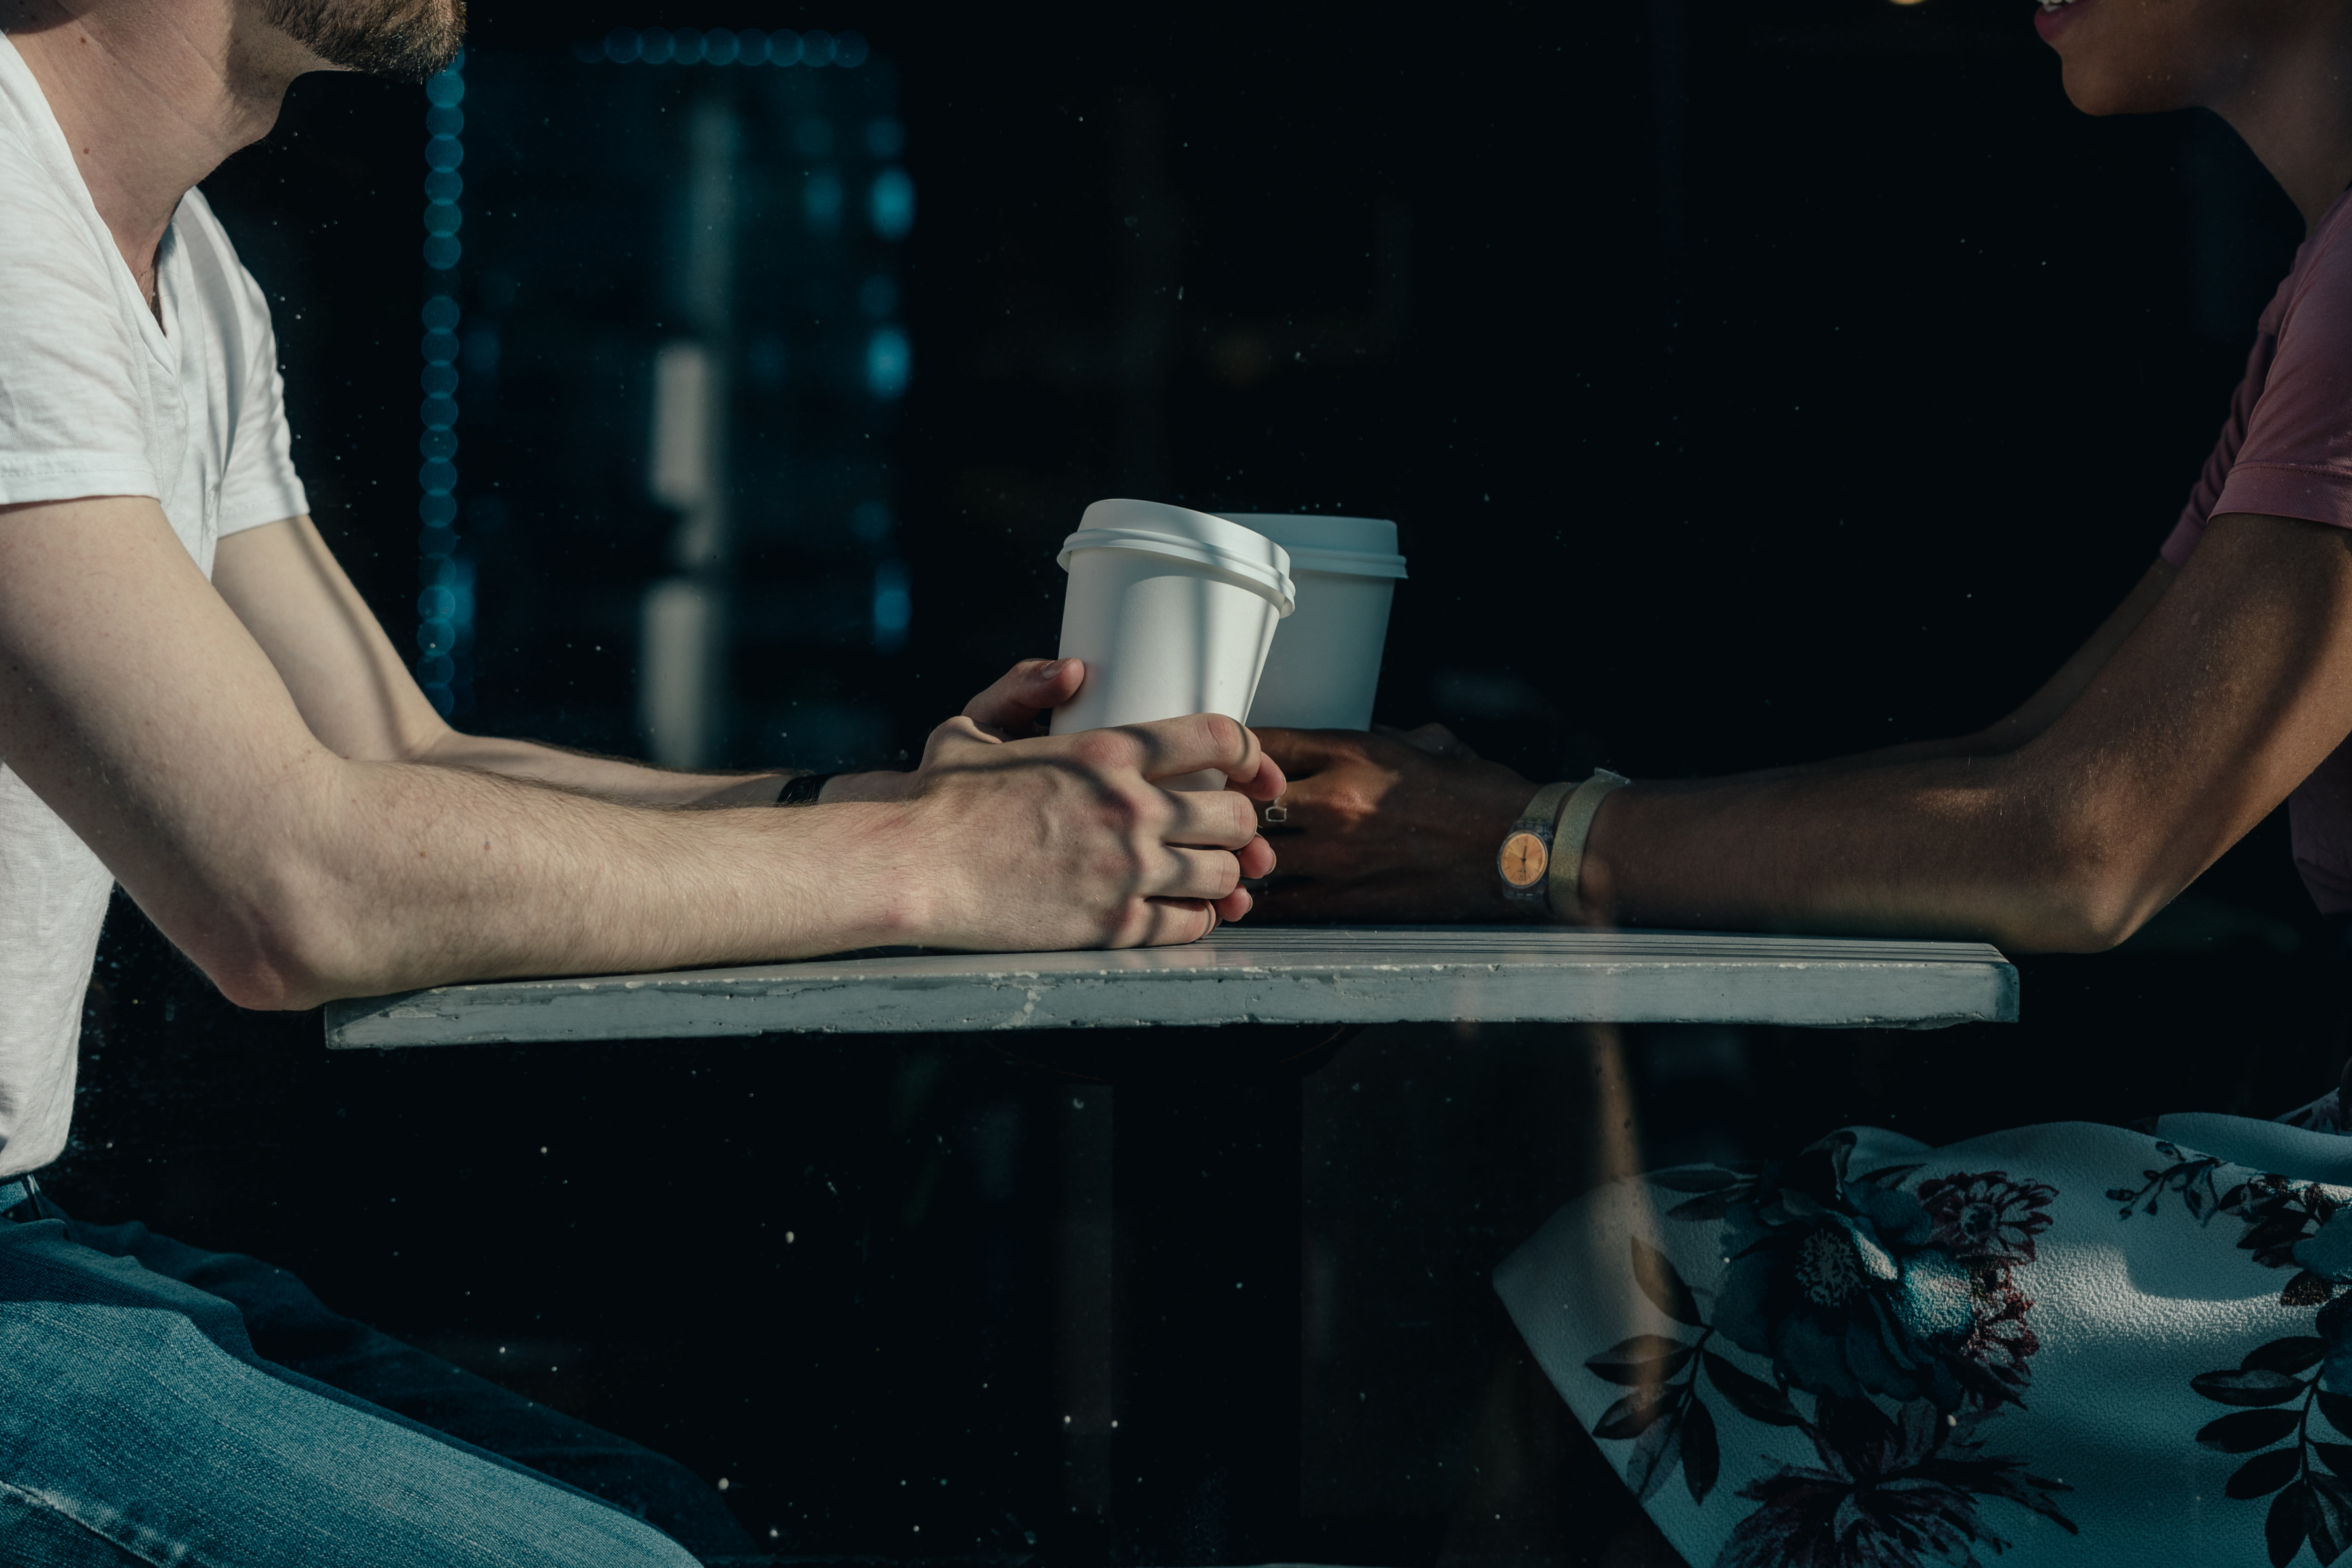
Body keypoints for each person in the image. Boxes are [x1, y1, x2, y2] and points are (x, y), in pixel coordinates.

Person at [0, 0, 1281, 1560]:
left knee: (666, 1526)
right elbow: (291, 885)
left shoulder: (181, 268)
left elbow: (393, 757)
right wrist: (946, 864)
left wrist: (910, 810)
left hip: (30, 1241)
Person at [1256, 1, 2352, 1563]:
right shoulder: (2319, 281)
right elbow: (2022, 761)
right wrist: (1517, 828)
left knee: (1654, 1341)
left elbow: (2084, 847)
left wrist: (1520, 845)